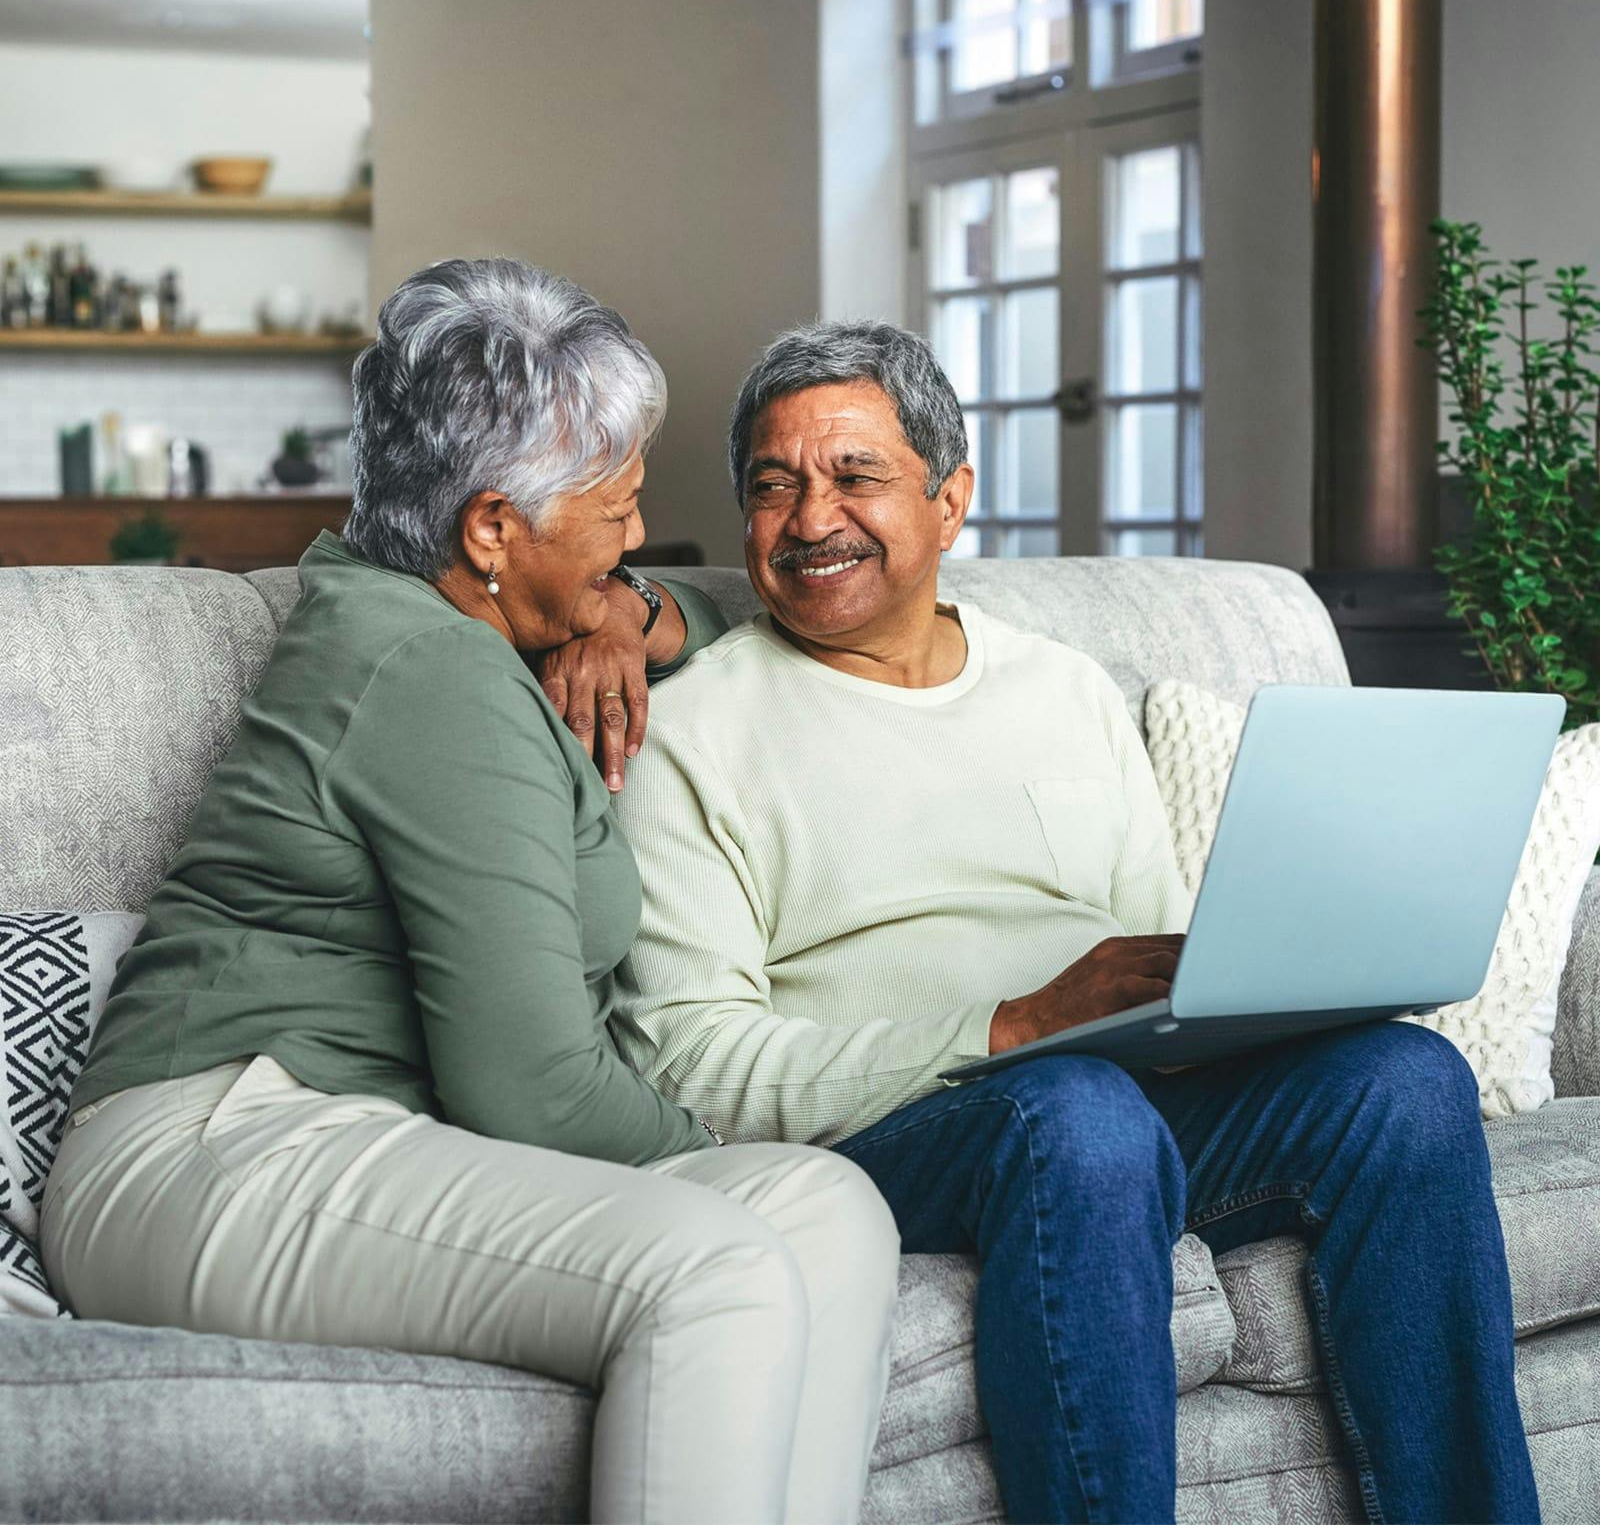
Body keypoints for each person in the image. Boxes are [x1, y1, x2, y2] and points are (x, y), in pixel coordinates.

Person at [609, 320, 1541, 1525]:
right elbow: (690, 1062)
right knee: (1076, 1112)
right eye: (771, 485)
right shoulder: (688, 732)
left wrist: (1280, 990)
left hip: (1103, 1106)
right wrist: (1011, 1025)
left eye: (854, 477)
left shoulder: (1061, 690)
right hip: (891, 1137)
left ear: (950, 502)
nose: (807, 517)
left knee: (1404, 1077)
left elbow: (1157, 972)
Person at [41, 265, 901, 1525]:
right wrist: (709, 1152)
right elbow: (531, 1086)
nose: (631, 534)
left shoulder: (451, 614)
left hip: (344, 1133)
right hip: (213, 1147)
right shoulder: (430, 672)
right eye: (613, 509)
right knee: (717, 1266)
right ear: (491, 530)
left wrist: (632, 614)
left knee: (826, 1207)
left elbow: (726, 612)